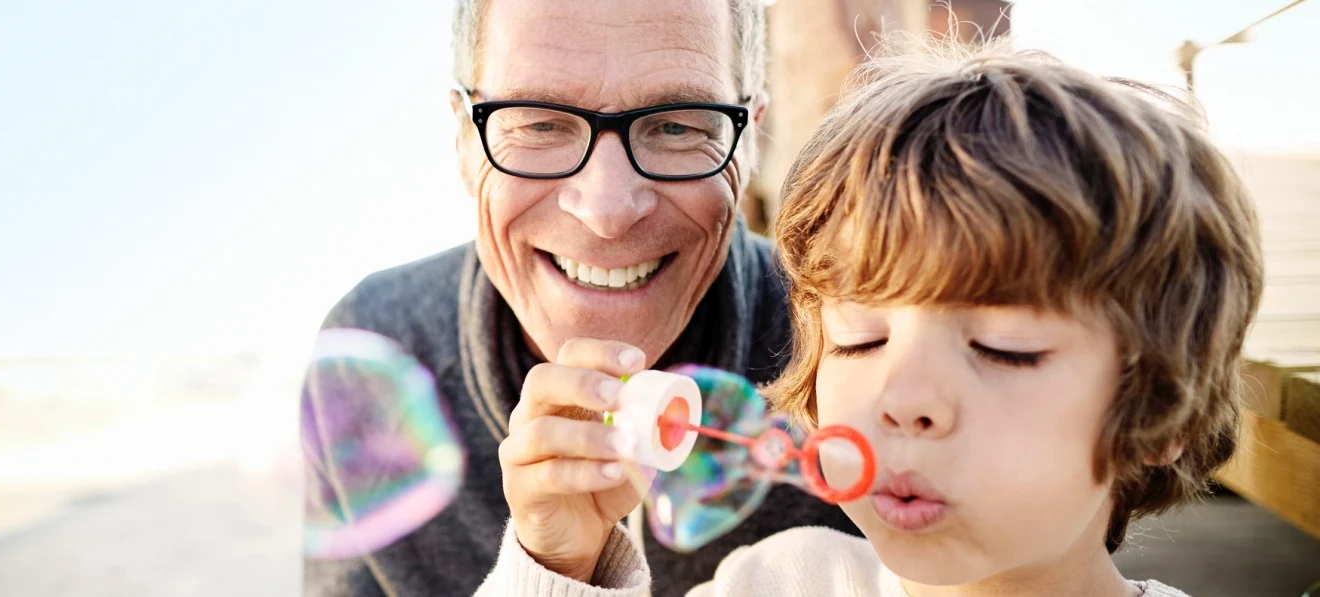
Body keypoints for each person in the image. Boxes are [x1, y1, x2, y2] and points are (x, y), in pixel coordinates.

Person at [477, 40, 1264, 596]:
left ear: (1164, 408)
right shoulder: (778, 582)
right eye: (860, 336)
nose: (902, 394)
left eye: (1003, 346)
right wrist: (558, 569)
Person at [302, 0, 859, 595]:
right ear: (465, 142)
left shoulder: (853, 347)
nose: (607, 211)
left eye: (677, 123)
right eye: (539, 122)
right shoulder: (379, 348)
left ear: (748, 145)